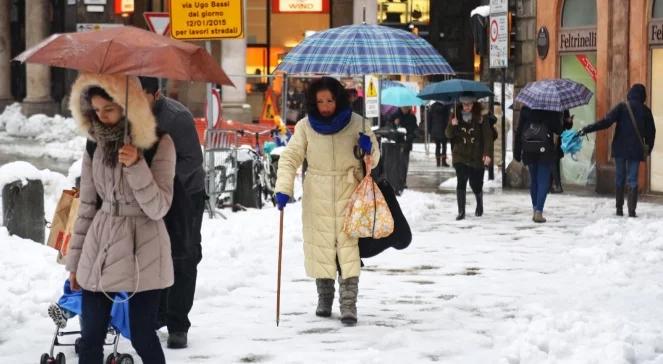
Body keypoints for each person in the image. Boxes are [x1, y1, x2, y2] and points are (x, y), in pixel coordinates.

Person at [66, 73, 176, 364]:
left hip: (144, 246)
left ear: (128, 106)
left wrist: (137, 166)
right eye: (97, 110)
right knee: (90, 337)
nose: (102, 117)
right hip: (100, 243)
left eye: (109, 109)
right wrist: (75, 263)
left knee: (142, 334)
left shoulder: (159, 143)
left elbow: (159, 208)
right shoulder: (94, 145)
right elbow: (88, 205)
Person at [273, 77, 380, 326]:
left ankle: (349, 304)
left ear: (338, 99)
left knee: (349, 249)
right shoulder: (304, 127)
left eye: (329, 100)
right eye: (320, 101)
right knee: (321, 249)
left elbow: (374, 160)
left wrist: (368, 149)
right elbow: (290, 158)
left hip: (349, 193)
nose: (325, 106)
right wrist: (283, 188)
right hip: (317, 194)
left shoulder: (358, 124)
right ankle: (324, 298)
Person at [139, 77, 206, 349]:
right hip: (148, 196)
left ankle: (178, 323)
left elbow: (192, 161)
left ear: (156, 94)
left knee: (183, 256)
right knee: (151, 254)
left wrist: (157, 178)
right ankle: (155, 315)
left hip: (185, 196)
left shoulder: (177, 118)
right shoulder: (128, 114)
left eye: (141, 95)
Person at [580, 84, 656, 217]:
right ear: (643, 96)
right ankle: (632, 211)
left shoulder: (622, 107)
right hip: (636, 150)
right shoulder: (646, 111)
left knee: (620, 178)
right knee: (633, 179)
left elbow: (606, 122)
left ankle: (619, 209)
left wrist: (588, 128)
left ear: (630, 93)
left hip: (620, 149)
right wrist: (648, 149)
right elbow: (651, 132)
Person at [445, 96, 494, 220]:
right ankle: (461, 211)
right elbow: (448, 134)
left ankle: (479, 200)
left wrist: (487, 154)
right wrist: (452, 124)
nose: (466, 107)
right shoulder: (455, 115)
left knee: (475, 184)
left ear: (474, 104)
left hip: (476, 155)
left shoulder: (481, 117)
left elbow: (488, 137)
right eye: (464, 104)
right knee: (461, 180)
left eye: (469, 104)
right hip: (460, 155)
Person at [513, 106, 563, 223]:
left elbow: (519, 130)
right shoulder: (551, 109)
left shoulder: (526, 109)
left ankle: (535, 208)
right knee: (543, 181)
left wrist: (517, 151)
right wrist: (564, 121)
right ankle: (539, 212)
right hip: (545, 149)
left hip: (529, 149)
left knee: (534, 180)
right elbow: (558, 129)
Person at [550, 110, 574, 193]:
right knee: (553, 161)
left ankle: (556, 185)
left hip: (557, 139)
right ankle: (555, 185)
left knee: (554, 161)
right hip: (547, 137)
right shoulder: (548, 106)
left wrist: (569, 122)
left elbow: (568, 126)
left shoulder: (564, 109)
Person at [427, 101, 451, 167]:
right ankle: (443, 162)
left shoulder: (432, 107)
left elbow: (429, 120)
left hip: (434, 130)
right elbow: (447, 119)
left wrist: (429, 130)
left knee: (437, 146)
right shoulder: (446, 107)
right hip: (443, 129)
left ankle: (438, 162)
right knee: (444, 146)